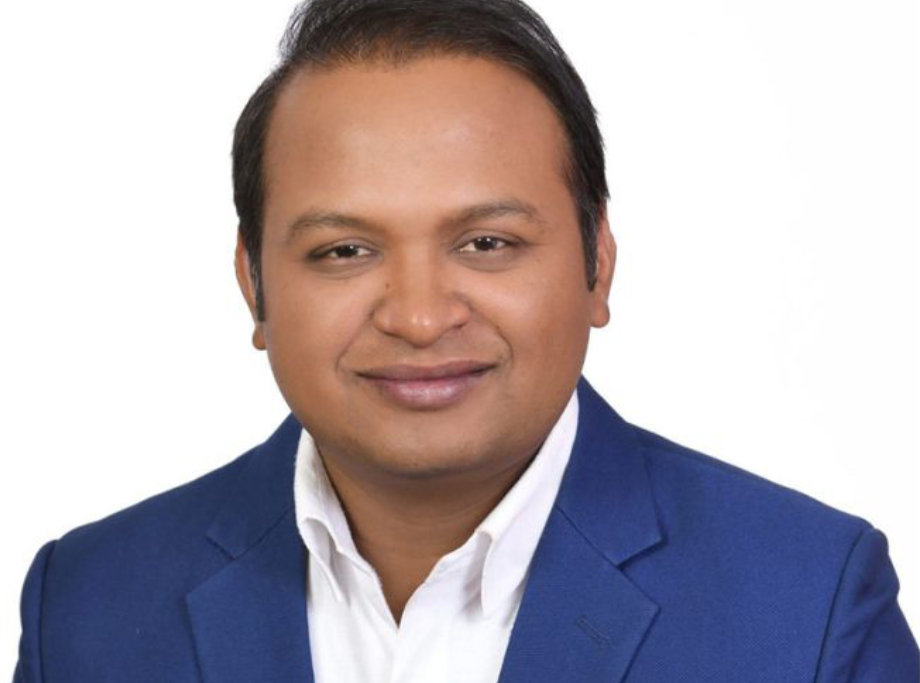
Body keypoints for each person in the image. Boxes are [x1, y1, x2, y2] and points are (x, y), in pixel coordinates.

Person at [12, 0, 918, 681]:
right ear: (254, 282)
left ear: (597, 264)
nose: (418, 316)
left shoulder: (810, 604)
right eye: (344, 250)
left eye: (487, 243)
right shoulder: (86, 602)